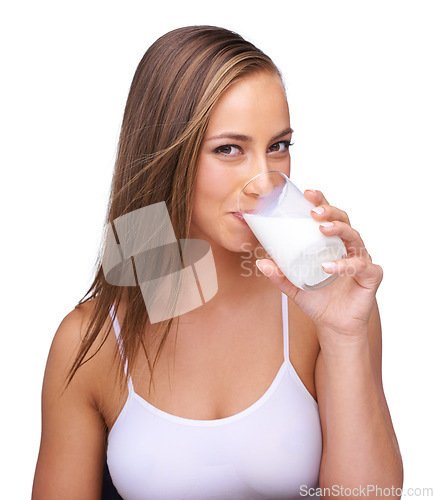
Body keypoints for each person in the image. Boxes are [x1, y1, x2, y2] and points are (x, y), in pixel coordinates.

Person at [32, 26, 403, 499]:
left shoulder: (322, 309)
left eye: (278, 146)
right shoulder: (93, 340)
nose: (263, 179)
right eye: (229, 149)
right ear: (167, 157)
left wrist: (346, 337)